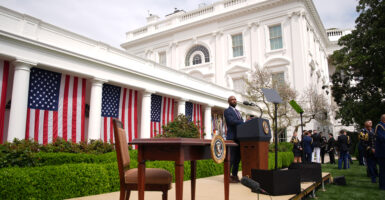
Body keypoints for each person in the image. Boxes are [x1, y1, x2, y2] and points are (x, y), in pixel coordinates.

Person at [224, 96, 244, 183]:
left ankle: (234, 175)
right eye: (233, 99)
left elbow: (241, 122)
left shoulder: (238, 112)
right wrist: (242, 122)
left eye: (235, 99)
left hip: (239, 138)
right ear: (229, 101)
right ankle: (227, 176)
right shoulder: (227, 111)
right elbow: (230, 121)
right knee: (231, 158)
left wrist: (245, 122)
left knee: (237, 158)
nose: (235, 101)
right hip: (232, 138)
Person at [375, 114, 385, 190]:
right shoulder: (380, 126)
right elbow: (382, 138)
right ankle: (382, 186)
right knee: (382, 170)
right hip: (382, 152)